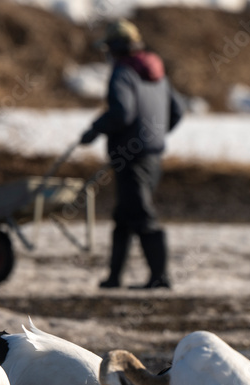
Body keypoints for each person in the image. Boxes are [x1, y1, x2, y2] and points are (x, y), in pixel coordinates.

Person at [80, 19, 184, 289]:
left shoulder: (122, 72)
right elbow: (177, 111)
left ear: (114, 48)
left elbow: (122, 112)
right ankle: (114, 277)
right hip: (152, 155)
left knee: (141, 214)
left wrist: (95, 129)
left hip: (131, 156)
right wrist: (155, 135)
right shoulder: (158, 71)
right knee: (125, 215)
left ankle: (160, 278)